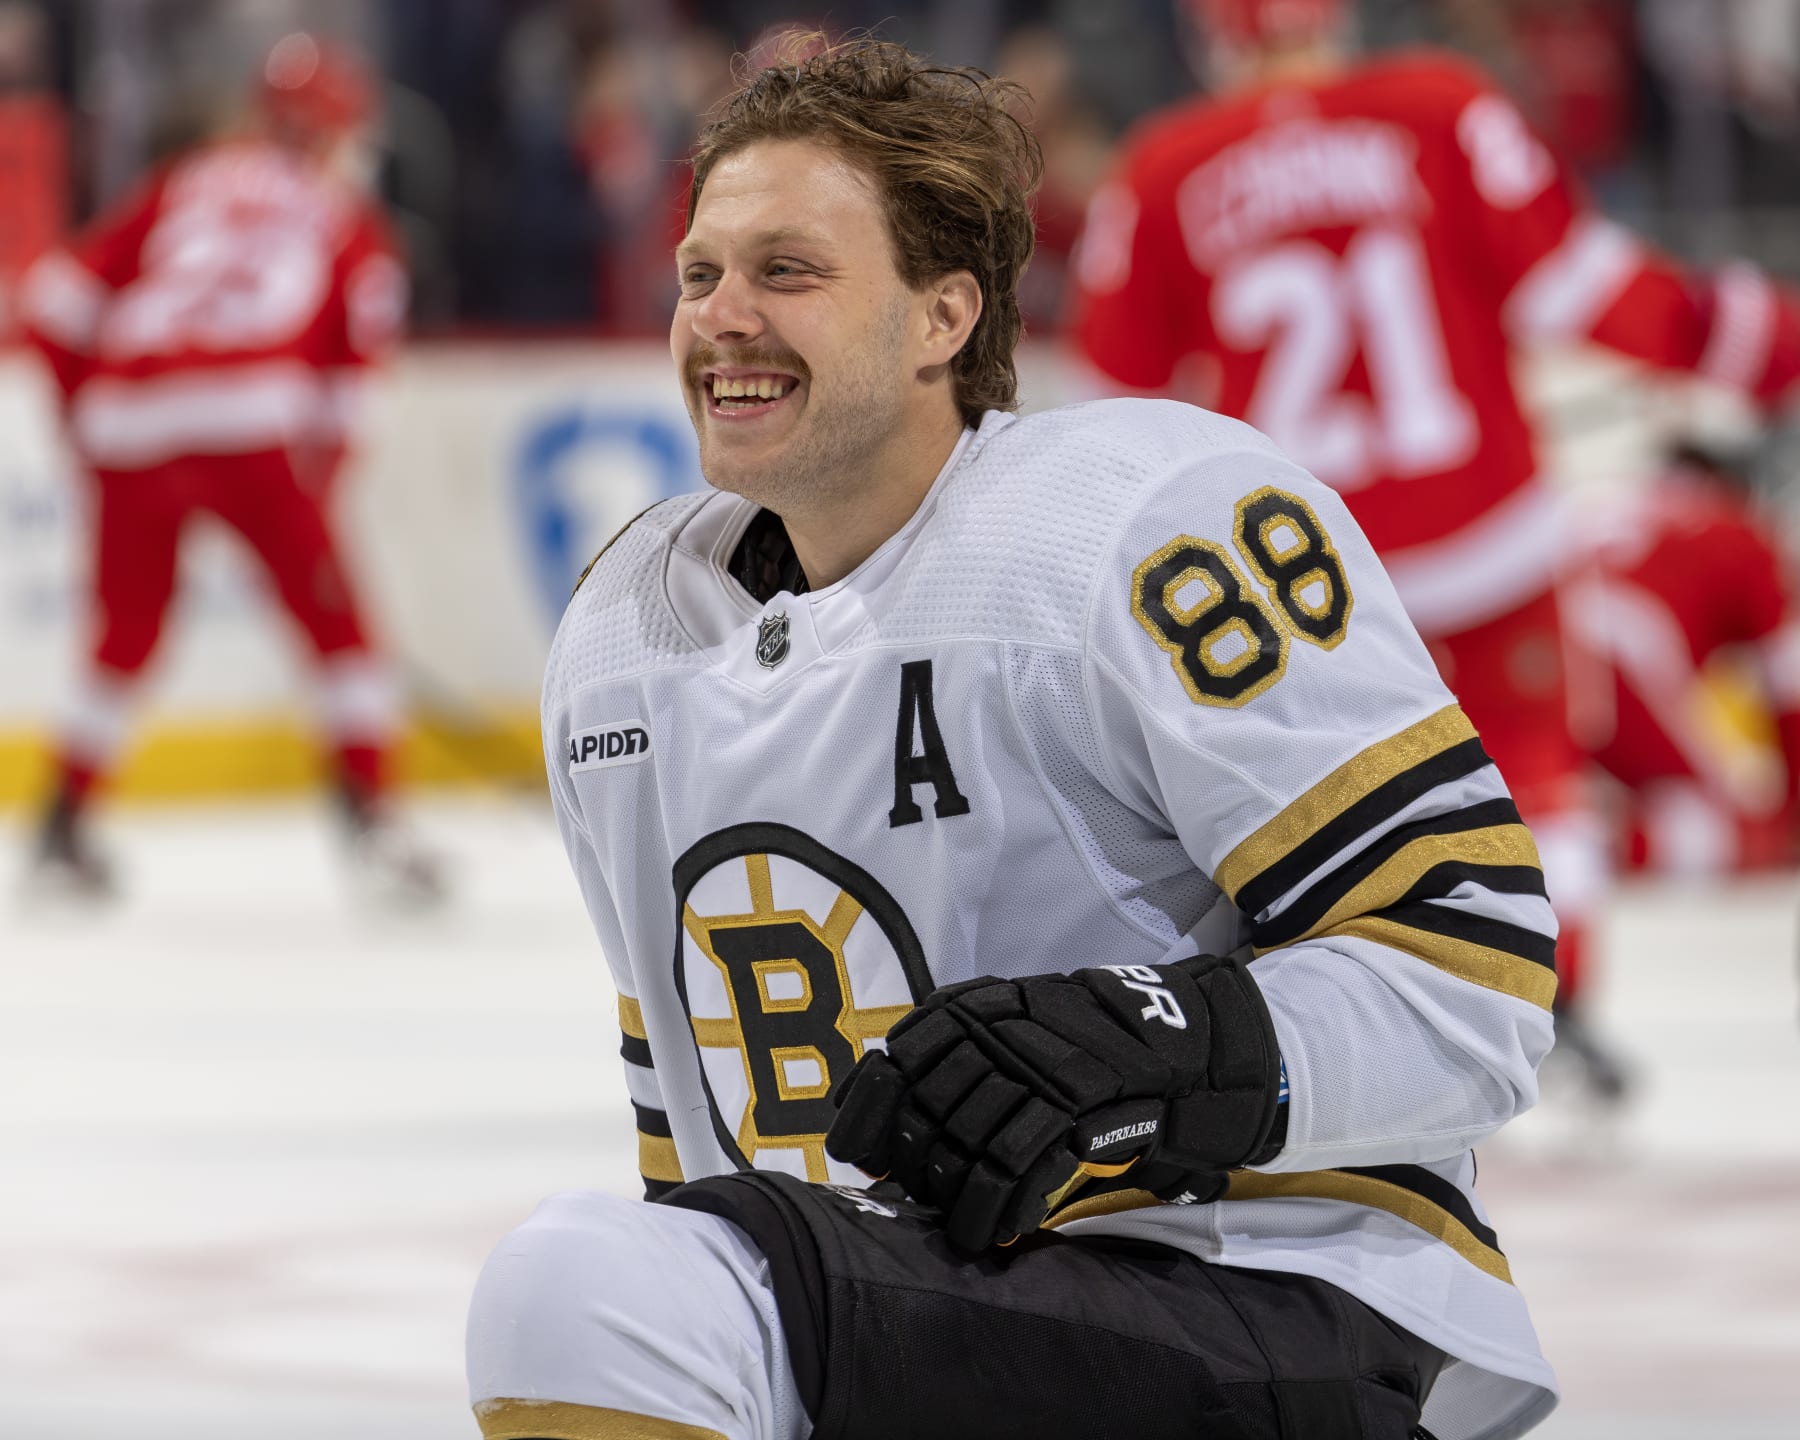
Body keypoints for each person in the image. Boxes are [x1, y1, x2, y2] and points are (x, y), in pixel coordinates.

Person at [467, 38, 1560, 1440]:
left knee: (584, 1293)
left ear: (943, 316)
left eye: (787, 271)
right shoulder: (625, 639)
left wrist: (1163, 1048)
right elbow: (690, 1138)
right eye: (699, 274)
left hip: (1262, 1297)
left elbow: (1477, 979)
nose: (722, 316)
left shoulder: (1145, 525)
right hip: (935, 1325)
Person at [1066, 0, 1800, 1107]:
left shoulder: (1165, 169)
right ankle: (1559, 996)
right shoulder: (1441, 107)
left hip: (1299, 563)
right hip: (1487, 527)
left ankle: (1327, 1025)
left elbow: (1116, 402)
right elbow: (1583, 292)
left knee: (1299, 798)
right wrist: (1762, 345)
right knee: (1535, 768)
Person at [18, 33, 436, 900]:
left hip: (125, 418)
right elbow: (350, 393)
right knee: (338, 631)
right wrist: (304, 514)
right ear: (334, 129)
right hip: (253, 421)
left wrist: (81, 425)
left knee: (123, 635)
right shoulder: (354, 223)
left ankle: (60, 823)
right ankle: (373, 821)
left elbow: (55, 300)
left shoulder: (187, 179)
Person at [1565, 436, 1800, 877]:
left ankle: (1550, 824)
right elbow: (1788, 684)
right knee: (1724, 825)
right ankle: (1572, 851)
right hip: (1628, 654)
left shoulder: (1610, 503)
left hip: (1538, 650)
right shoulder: (1740, 531)